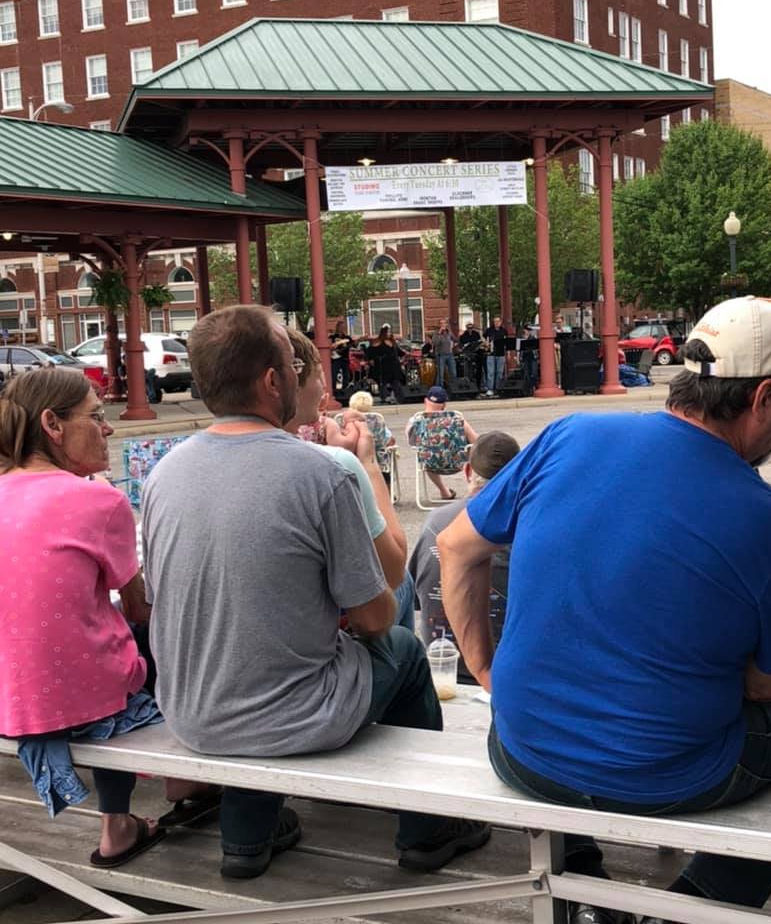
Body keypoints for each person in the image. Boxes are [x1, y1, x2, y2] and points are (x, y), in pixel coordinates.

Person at [437, 296, 771, 924]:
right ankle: (692, 906)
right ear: (765, 397)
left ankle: (580, 888)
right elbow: (764, 688)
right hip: (679, 777)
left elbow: (455, 547)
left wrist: (488, 671)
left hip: (521, 751)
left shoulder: (568, 434)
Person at [142, 305, 489, 880]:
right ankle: (425, 830)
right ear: (273, 380)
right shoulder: (317, 473)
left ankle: (247, 840)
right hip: (289, 718)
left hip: (190, 712)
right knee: (402, 650)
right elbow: (377, 615)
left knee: (258, 667)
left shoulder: (162, 474)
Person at [0, 368, 209, 868]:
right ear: (52, 423)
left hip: (10, 698)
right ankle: (178, 780)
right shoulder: (98, 499)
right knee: (156, 635)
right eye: (96, 417)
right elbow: (139, 611)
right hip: (79, 700)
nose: (108, 428)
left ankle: (124, 822)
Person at [286, 329, 414, 631]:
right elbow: (393, 569)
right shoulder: (334, 464)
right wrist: (367, 464)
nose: (323, 389)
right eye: (318, 376)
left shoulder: (171, 469)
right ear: (283, 380)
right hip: (315, 653)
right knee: (404, 585)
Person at [409, 431, 519, 683]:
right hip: (503, 673)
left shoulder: (436, 521)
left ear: (468, 471)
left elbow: (416, 595)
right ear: (517, 476)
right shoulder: (525, 525)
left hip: (445, 666)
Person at [406, 385, 478, 502]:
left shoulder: (416, 420)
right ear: (444, 405)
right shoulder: (456, 418)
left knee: (425, 451)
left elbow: (413, 444)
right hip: (457, 462)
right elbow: (476, 440)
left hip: (430, 464)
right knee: (473, 447)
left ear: (425, 401)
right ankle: (475, 488)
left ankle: (444, 490)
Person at [348, 388, 397, 492]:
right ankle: (387, 494)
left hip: (353, 456)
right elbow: (388, 439)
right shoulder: (376, 419)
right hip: (377, 458)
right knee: (385, 456)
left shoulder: (345, 419)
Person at [366, 324, 406, 405]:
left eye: (390, 332)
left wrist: (405, 355)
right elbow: (370, 352)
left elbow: (399, 352)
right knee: (383, 382)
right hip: (383, 366)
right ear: (384, 333)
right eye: (388, 332)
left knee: (395, 382)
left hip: (394, 366)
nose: (390, 334)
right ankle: (384, 397)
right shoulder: (378, 342)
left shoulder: (393, 342)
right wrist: (370, 360)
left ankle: (399, 398)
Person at [482, 316, 509, 397]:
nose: (496, 323)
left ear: (501, 322)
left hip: (501, 354)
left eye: (498, 321)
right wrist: (486, 343)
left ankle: (498, 388)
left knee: (500, 372)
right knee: (490, 372)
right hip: (491, 353)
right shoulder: (489, 330)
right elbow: (483, 337)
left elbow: (506, 342)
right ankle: (490, 389)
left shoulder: (504, 331)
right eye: (495, 321)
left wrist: (508, 353)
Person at [431, 318, 457, 390]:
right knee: (440, 374)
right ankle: (439, 390)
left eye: (444, 323)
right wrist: (439, 333)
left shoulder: (449, 332)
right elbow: (435, 343)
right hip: (440, 355)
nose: (443, 325)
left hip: (449, 354)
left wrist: (454, 343)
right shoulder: (436, 333)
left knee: (453, 372)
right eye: (441, 323)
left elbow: (455, 339)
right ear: (439, 325)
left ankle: (454, 389)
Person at [329, 321, 354, 393]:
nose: (342, 328)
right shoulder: (332, 337)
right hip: (335, 359)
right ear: (337, 327)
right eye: (341, 327)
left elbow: (353, 345)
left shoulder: (347, 338)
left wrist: (359, 340)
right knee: (334, 374)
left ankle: (344, 391)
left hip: (344, 359)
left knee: (346, 375)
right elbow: (330, 347)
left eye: (343, 327)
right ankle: (334, 390)